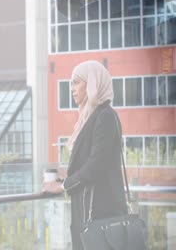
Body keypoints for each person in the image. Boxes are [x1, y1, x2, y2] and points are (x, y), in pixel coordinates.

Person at [43, 60, 127, 250]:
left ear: (92, 84)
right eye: (71, 83)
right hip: (92, 214)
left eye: (77, 82)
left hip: (101, 215)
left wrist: (64, 185)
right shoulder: (91, 117)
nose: (72, 88)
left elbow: (96, 166)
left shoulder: (104, 116)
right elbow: (90, 164)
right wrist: (63, 180)